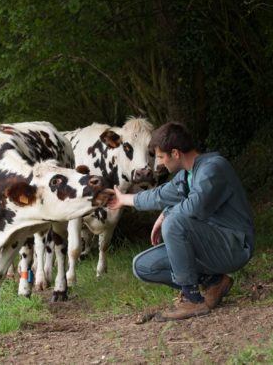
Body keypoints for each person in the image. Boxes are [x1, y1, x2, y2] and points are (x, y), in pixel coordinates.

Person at [107, 122, 254, 321]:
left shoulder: (213, 167)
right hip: (209, 245)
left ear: (175, 153)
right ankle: (215, 281)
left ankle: (192, 299)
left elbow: (195, 207)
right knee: (143, 266)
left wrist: (167, 214)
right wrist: (123, 200)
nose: (158, 164)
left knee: (174, 221)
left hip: (234, 246)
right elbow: (159, 195)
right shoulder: (185, 175)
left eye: (160, 157)